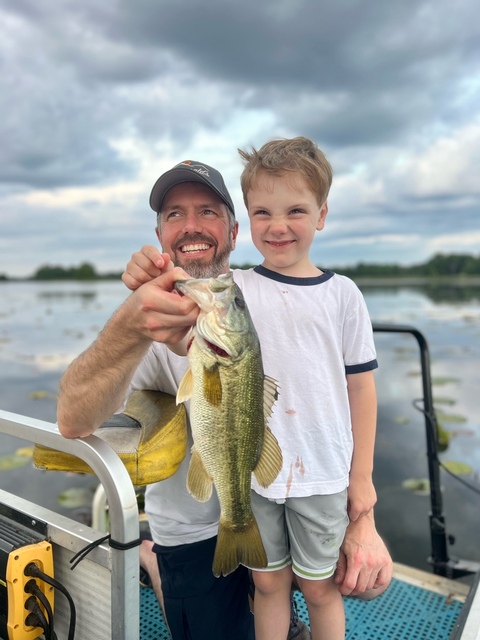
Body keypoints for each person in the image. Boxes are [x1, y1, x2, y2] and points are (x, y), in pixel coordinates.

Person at [57, 158, 392, 640]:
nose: (191, 226)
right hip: (197, 538)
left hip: (287, 495)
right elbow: (72, 419)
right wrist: (135, 313)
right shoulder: (154, 308)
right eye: (174, 214)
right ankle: (154, 561)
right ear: (159, 233)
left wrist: (364, 515)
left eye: (207, 212)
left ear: (234, 233)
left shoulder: (247, 292)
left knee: (346, 585)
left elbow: (347, 396)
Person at [223, 137, 377, 640]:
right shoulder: (236, 288)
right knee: (268, 586)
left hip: (325, 474)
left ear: (322, 215)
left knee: (319, 590)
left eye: (296, 210)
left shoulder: (343, 295)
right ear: (246, 222)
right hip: (256, 471)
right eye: (263, 212)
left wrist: (362, 479)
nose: (279, 225)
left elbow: (361, 390)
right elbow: (185, 285)